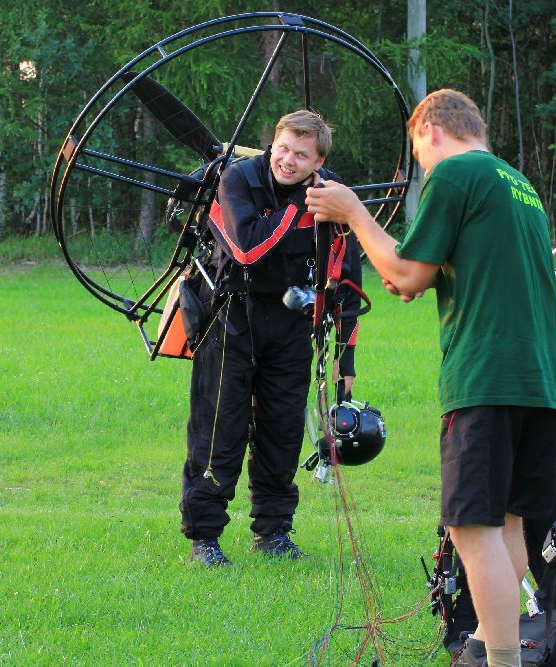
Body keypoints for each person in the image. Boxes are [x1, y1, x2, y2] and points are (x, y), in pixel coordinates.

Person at [306, 89, 556, 667]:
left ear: (431, 132)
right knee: (507, 527)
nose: (423, 168)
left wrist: (353, 212)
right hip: (543, 384)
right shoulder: (518, 185)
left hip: (485, 379)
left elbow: (405, 274)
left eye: (418, 155)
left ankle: (500, 660)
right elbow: (428, 274)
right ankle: (483, 647)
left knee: (471, 530)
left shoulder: (455, 174)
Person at [181, 110, 361, 566]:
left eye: (301, 155)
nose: (288, 160)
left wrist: (347, 360)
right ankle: (205, 537)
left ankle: (274, 532)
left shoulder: (332, 192)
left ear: (318, 161)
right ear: (271, 144)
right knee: (220, 428)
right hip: (228, 318)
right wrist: (301, 205)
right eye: (282, 148)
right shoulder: (236, 180)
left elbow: (348, 277)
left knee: (282, 431)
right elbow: (247, 249)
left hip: (292, 325)